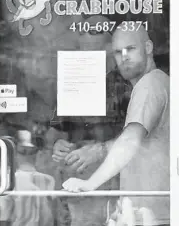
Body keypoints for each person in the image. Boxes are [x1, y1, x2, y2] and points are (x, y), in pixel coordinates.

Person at [61, 25, 170, 226]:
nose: (124, 57)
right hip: (145, 210)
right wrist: (98, 150)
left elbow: (130, 140)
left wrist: (89, 184)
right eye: (118, 52)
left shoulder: (150, 85)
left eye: (131, 49)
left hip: (152, 213)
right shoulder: (155, 83)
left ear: (148, 47)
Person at [52, 15, 131, 226]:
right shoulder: (72, 80)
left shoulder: (127, 84)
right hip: (77, 173)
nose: (87, 55)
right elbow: (56, 130)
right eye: (83, 48)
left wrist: (99, 150)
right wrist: (57, 144)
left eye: (94, 48)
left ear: (109, 49)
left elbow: (140, 138)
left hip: (118, 172)